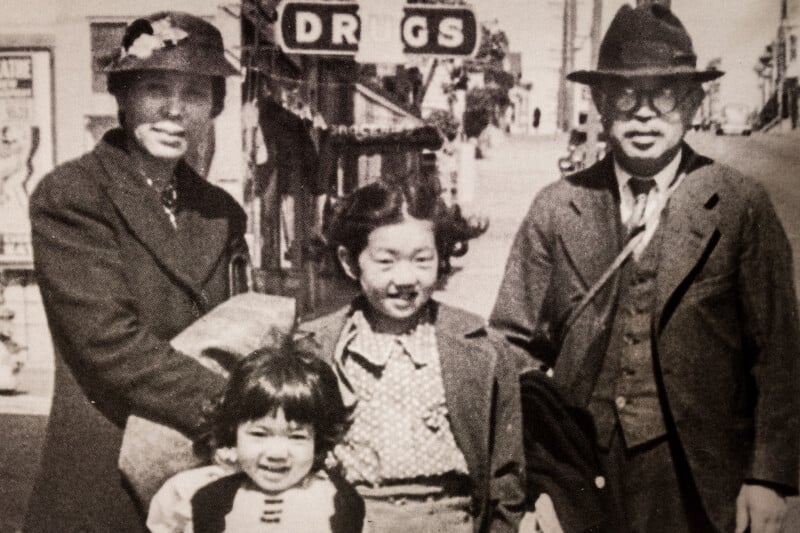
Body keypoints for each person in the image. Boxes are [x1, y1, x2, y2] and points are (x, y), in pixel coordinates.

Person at [490, 4, 800, 533]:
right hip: (577, 472)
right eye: (626, 95)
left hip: (698, 475)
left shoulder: (737, 203)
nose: (644, 114)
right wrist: (533, 478)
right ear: (599, 102)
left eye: (664, 93)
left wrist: (768, 477)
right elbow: (510, 346)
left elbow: (779, 352)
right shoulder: (557, 206)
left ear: (694, 101)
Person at [26, 12, 247, 532]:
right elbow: (111, 344)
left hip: (204, 477)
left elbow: (245, 325)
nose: (175, 110)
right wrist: (241, 411)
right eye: (155, 88)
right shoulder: (73, 195)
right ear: (123, 98)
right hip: (106, 476)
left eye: (194, 93)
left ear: (213, 106)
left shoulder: (220, 210)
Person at [299, 180, 525, 532]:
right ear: (348, 261)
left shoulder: (483, 349)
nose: (405, 278)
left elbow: (506, 476)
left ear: (441, 256)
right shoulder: (315, 347)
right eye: (386, 261)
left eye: (422, 260)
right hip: (348, 520)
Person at [146, 342, 364, 532]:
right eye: (259, 434)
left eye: (297, 437)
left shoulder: (340, 500)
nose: (277, 453)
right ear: (234, 432)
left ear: (317, 440)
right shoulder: (200, 497)